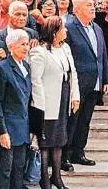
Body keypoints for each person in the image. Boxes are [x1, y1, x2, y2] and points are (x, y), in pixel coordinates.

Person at [30, 17, 80, 189]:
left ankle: (56, 177)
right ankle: (44, 178)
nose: (65, 31)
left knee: (59, 139)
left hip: (63, 97)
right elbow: (35, 80)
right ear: (54, 32)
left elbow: (72, 72)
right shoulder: (40, 51)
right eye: (62, 29)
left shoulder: (65, 48)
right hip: (47, 101)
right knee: (46, 141)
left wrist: (75, 96)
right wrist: (39, 105)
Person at [63, 0, 108, 169]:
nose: (93, 8)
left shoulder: (96, 28)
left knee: (85, 120)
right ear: (77, 9)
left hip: (95, 82)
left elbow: (102, 55)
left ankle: (79, 152)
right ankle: (65, 155)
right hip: (77, 83)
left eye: (93, 5)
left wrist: (106, 78)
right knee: (72, 120)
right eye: (88, 5)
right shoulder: (69, 28)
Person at [0, 29, 32, 189]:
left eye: (27, 44)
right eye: (22, 44)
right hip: (8, 126)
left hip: (23, 127)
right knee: (5, 169)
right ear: (11, 46)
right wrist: (3, 131)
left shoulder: (27, 66)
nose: (26, 48)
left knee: (19, 168)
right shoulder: (3, 67)